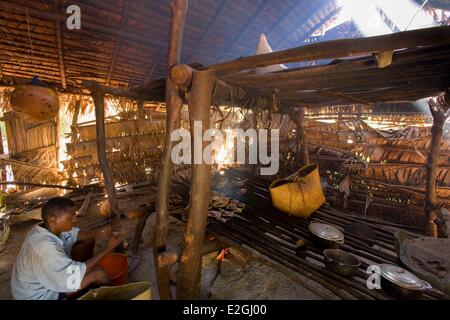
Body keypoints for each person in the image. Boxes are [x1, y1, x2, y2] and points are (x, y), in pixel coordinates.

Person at [10, 197, 123, 300]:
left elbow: (77, 234)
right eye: (71, 216)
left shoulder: (45, 228)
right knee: (99, 274)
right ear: (53, 220)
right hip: (36, 295)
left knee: (88, 242)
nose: (75, 220)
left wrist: (100, 233)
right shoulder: (45, 248)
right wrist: (108, 248)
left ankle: (86, 283)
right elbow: (72, 277)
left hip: (37, 283)